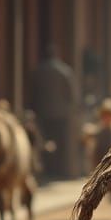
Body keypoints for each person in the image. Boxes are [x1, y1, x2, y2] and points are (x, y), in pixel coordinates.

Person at [30, 43, 77, 178]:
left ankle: (46, 171)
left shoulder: (37, 71)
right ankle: (60, 171)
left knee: (43, 142)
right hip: (61, 114)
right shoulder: (64, 71)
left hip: (42, 113)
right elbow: (72, 94)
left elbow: (32, 92)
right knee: (61, 143)